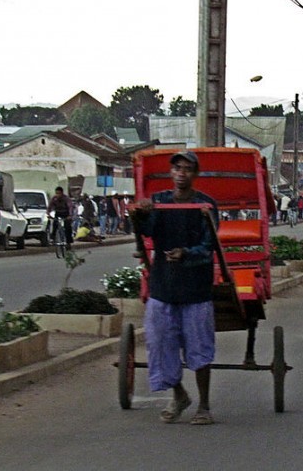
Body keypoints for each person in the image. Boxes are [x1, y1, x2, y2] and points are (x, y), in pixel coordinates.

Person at [132, 151, 219, 425]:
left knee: (199, 346)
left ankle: (204, 405)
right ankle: (179, 394)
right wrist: (140, 214)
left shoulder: (206, 205)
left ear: (195, 174)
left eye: (187, 169)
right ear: (172, 173)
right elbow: (145, 231)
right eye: (177, 168)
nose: (181, 173)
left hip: (196, 287)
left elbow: (209, 246)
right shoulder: (158, 202)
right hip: (163, 284)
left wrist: (186, 253)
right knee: (160, 343)